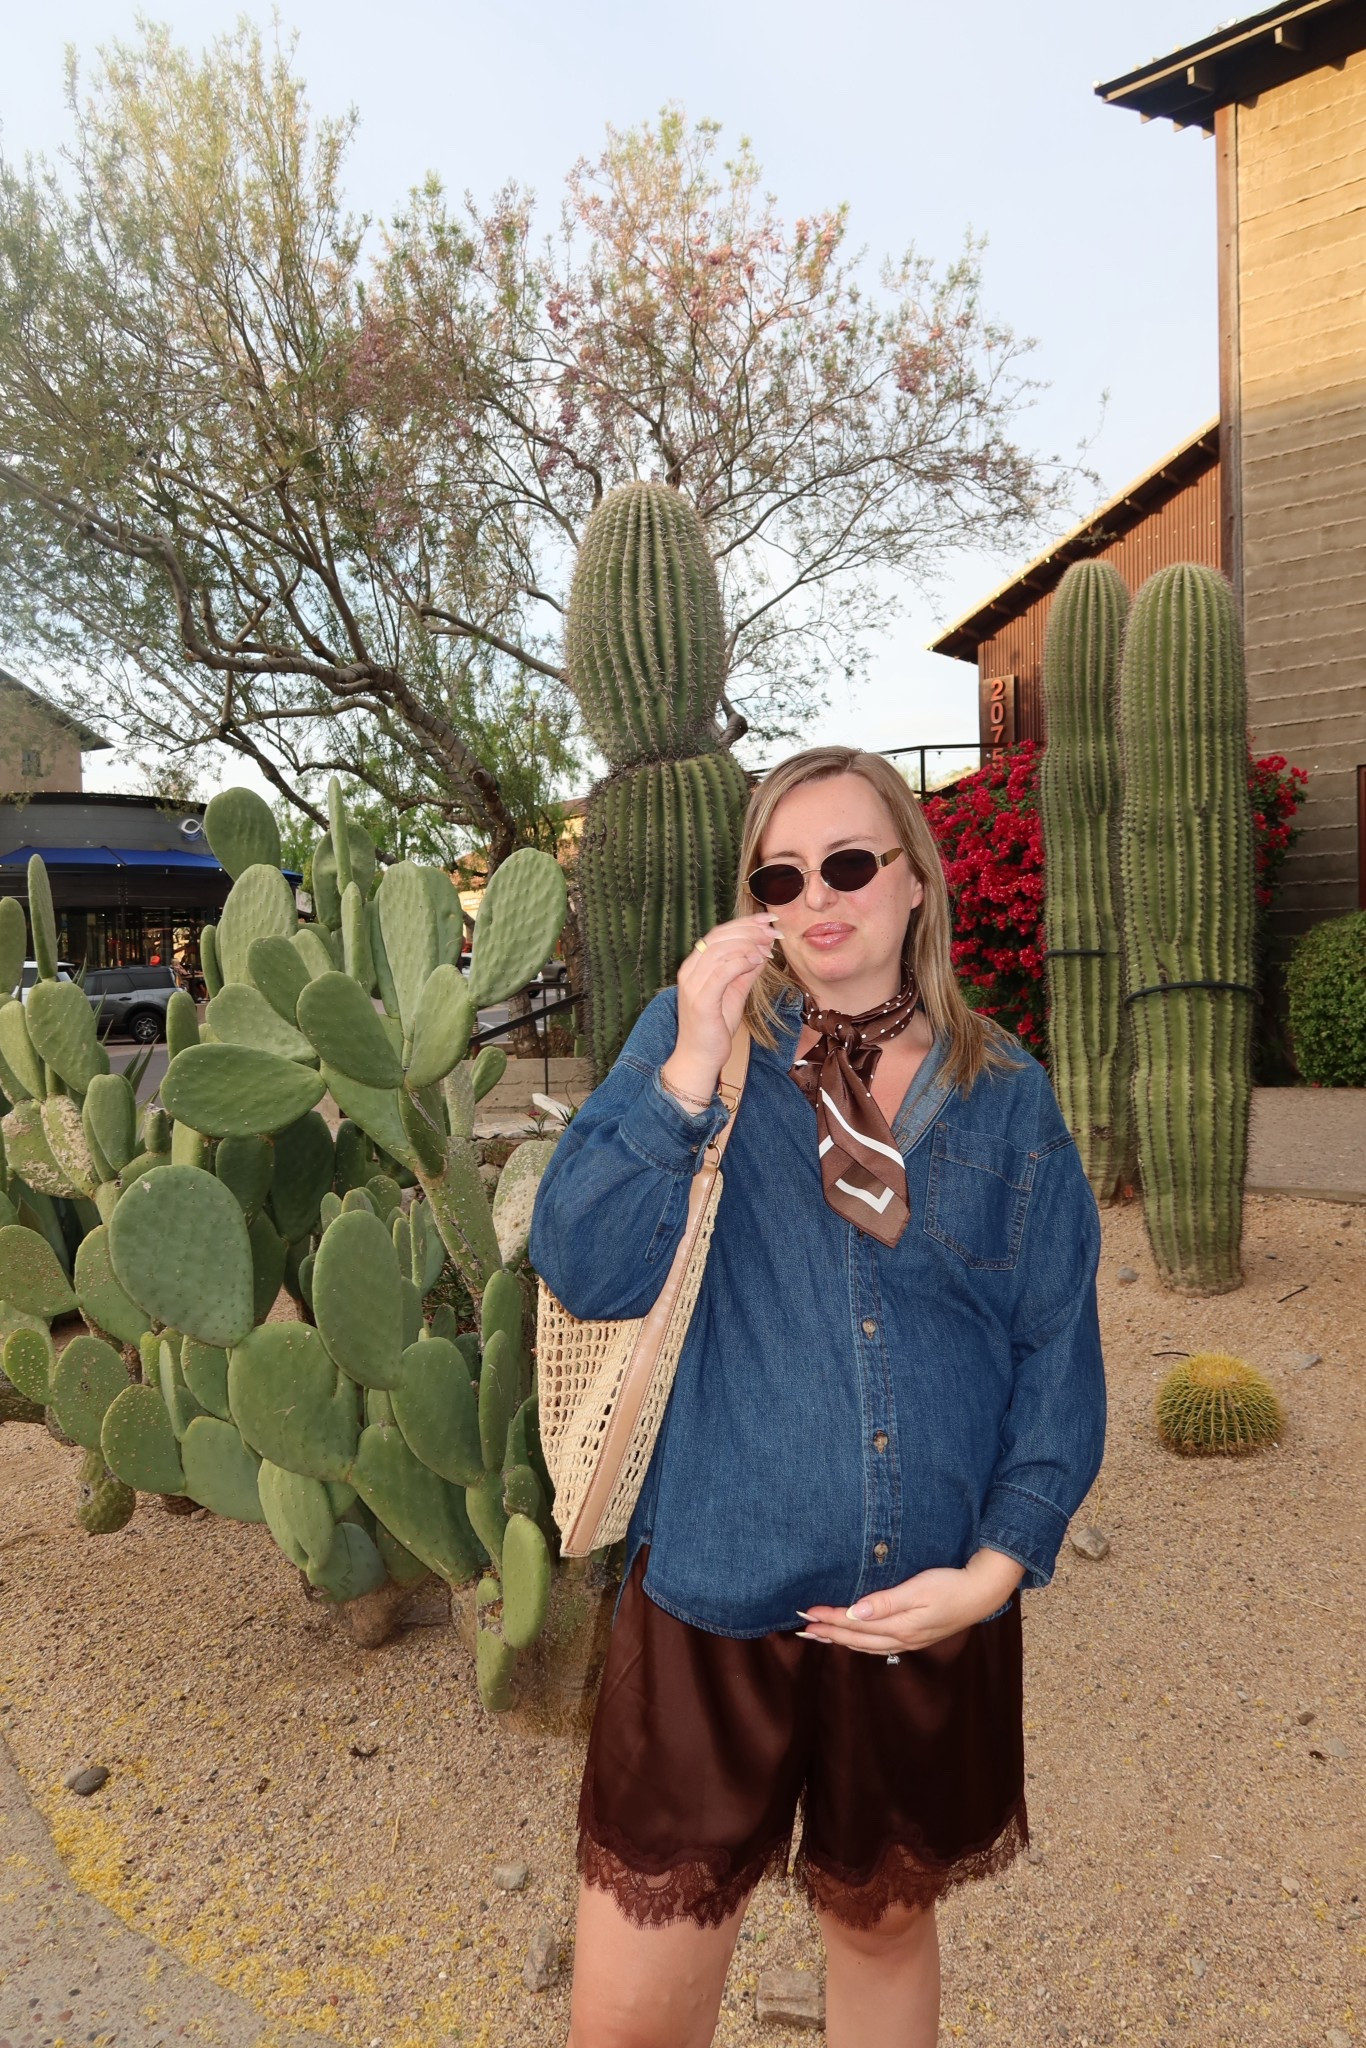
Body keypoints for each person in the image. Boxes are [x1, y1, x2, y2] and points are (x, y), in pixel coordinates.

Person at [529, 745, 1106, 2048]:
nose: (818, 895)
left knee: (881, 1927)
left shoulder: (1006, 1094)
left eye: (848, 862)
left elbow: (1054, 1347)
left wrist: (995, 1568)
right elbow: (585, 1261)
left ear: (913, 883)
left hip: (922, 1607)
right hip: (713, 1603)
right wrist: (683, 1070)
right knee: (628, 2015)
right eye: (779, 874)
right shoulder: (705, 1047)